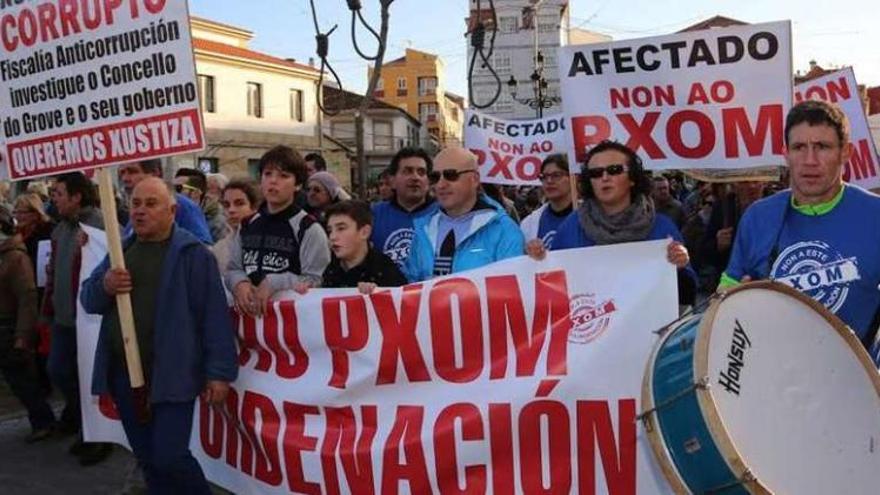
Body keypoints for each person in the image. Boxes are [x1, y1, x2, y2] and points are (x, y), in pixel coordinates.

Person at [80, 178, 237, 494]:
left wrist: (218, 374)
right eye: (136, 203)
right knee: (148, 457)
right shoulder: (121, 251)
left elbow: (214, 318)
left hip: (173, 374)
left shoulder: (193, 256)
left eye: (151, 204)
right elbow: (89, 298)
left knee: (169, 456)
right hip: (125, 375)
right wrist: (106, 286)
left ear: (172, 210)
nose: (140, 211)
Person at [721, 100, 880, 358]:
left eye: (822, 147)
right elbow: (724, 298)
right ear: (785, 153)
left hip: (857, 388)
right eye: (799, 147)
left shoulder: (875, 216)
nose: (810, 160)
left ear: (846, 153)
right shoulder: (758, 217)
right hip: (773, 377)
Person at [541, 140, 696, 306]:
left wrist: (680, 266)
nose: (604, 178)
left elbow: (686, 297)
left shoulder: (662, 227)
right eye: (596, 173)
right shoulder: (571, 226)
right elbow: (551, 289)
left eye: (614, 170)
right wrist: (538, 258)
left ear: (632, 179)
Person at [42, 172, 114, 465]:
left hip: (89, 321)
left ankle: (98, 436)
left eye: (58, 193)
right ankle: (78, 416)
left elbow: (117, 251)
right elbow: (53, 271)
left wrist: (95, 241)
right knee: (59, 370)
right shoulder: (60, 228)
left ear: (76, 196)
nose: (53, 199)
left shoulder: (100, 223)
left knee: (90, 380)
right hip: (63, 318)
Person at [227, 145, 331, 317]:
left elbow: (316, 279)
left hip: (293, 323)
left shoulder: (308, 228)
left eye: (284, 176)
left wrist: (275, 283)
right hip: (250, 325)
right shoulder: (247, 225)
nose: (273, 181)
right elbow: (233, 268)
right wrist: (239, 283)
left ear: (297, 184)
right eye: (268, 174)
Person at [403, 147, 525, 282]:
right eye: (435, 177)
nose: (441, 184)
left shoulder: (504, 231)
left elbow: (512, 291)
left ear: (475, 179)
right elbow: (408, 285)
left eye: (451, 175)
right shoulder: (423, 227)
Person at [0, 206, 56, 443]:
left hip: (9, 326)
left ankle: (43, 421)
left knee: (22, 379)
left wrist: (23, 335)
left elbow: (27, 296)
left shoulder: (15, 257)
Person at [370, 147, 438, 270]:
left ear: (428, 181)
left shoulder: (444, 214)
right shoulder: (374, 215)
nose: (415, 177)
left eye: (421, 172)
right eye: (407, 171)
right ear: (392, 181)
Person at [117, 160, 213, 244]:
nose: (125, 178)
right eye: (122, 173)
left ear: (155, 173)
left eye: (132, 171)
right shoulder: (135, 211)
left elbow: (203, 249)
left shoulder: (182, 205)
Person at [321, 200, 407, 292]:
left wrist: (378, 292)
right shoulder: (331, 270)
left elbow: (403, 301)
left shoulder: (386, 271)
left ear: (364, 232)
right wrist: (308, 292)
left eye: (341, 228)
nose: (332, 237)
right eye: (330, 230)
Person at [520, 154, 573, 249]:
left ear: (572, 178)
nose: (549, 181)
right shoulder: (529, 224)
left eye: (556, 175)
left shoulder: (589, 216)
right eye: (544, 176)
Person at [213, 179, 261, 278]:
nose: (231, 210)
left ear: (254, 207)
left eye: (239, 203)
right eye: (226, 205)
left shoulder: (272, 240)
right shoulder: (219, 249)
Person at [174, 168, 228, 243]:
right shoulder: (173, 215)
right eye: (171, 188)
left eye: (178, 188)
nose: (174, 194)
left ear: (196, 193)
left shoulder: (218, 222)